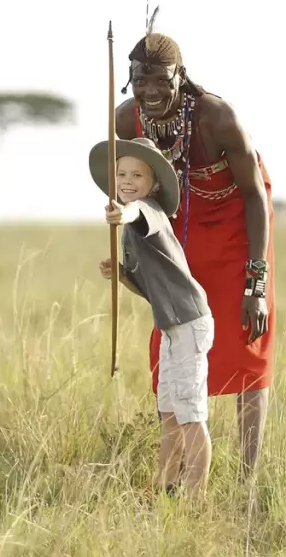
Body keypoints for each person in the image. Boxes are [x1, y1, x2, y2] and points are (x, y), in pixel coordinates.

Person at [115, 31, 275, 481]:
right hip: (175, 221)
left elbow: (253, 197)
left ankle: (248, 478)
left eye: (160, 80)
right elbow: (129, 185)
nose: (150, 91)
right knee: (172, 330)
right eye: (139, 80)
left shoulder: (219, 118)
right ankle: (176, 473)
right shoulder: (127, 121)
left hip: (238, 221)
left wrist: (256, 284)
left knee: (247, 342)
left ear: (180, 77)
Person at [88, 136, 215, 499]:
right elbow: (147, 288)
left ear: (153, 183)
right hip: (171, 325)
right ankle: (164, 484)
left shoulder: (149, 210)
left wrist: (120, 211)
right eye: (122, 174)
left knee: (190, 411)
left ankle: (195, 495)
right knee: (168, 410)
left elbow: (135, 211)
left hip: (189, 321)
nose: (128, 181)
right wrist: (121, 276)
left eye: (137, 175)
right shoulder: (129, 232)